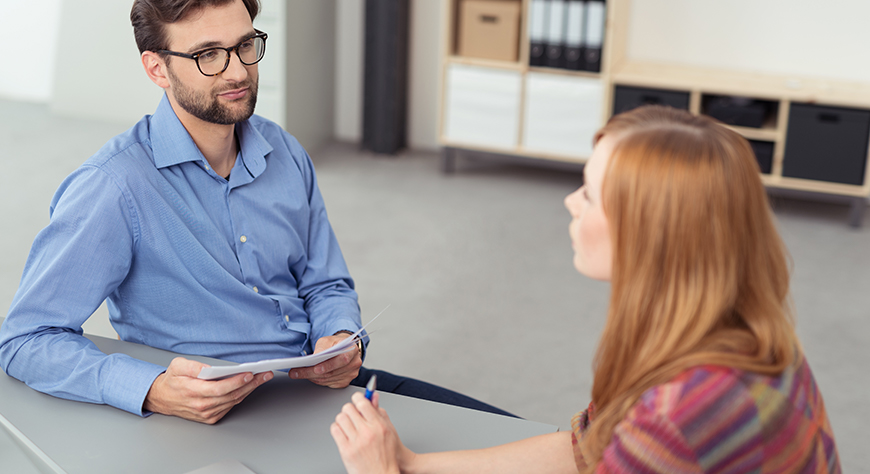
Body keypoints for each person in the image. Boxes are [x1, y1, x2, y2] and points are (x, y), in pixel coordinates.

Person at [0, 0, 509, 424]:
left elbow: (326, 282)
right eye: (208, 56)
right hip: (212, 417)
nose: (239, 71)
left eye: (245, 45)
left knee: (512, 439)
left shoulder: (282, 150)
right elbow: (26, 339)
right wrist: (150, 389)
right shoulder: (112, 187)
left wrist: (338, 337)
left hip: (315, 389)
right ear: (157, 68)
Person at [331, 105, 840, 474]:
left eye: (592, 195)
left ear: (649, 233)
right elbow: (585, 448)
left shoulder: (676, 419)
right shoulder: (724, 327)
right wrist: (415, 465)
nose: (572, 202)